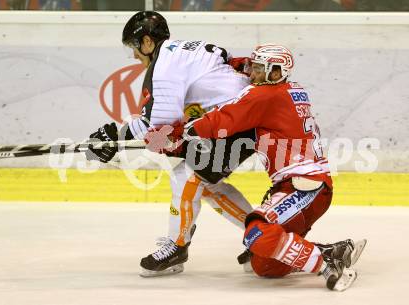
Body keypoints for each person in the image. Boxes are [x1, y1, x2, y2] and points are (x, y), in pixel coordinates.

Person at [174, 44, 366, 290]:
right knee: (265, 266)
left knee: (256, 234)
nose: (251, 75)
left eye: (257, 69)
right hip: (310, 187)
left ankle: (327, 266)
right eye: (252, 68)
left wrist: (181, 130)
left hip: (303, 187)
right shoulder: (293, 90)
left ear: (276, 72)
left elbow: (220, 120)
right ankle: (331, 251)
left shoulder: (263, 95)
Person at [85, 11, 255, 277]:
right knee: (204, 185)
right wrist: (120, 136)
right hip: (244, 115)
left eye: (134, 47)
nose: (134, 55)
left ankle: (177, 246)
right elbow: (225, 65)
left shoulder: (163, 68)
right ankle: (261, 234)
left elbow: (161, 129)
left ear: (148, 42)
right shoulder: (186, 49)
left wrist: (115, 140)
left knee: (185, 174)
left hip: (237, 120)